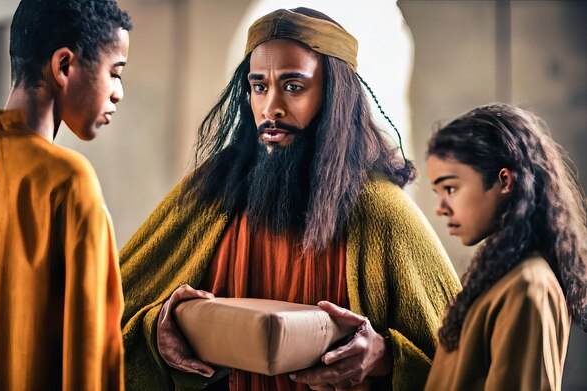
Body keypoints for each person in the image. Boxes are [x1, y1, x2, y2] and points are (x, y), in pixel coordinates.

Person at [121, 7, 460, 391]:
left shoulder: (381, 211)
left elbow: (466, 365)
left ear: (335, 96)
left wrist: (384, 356)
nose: (271, 108)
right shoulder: (211, 195)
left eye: (293, 86)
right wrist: (158, 327)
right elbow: (112, 313)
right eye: (259, 86)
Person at [0, 1, 131, 390]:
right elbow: (93, 358)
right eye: (114, 72)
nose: (118, 93)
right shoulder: (68, 182)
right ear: (64, 66)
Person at [425, 103, 587, 390]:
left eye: (450, 188)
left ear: (504, 181)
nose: (441, 209)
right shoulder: (502, 277)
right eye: (437, 193)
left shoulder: (528, 286)